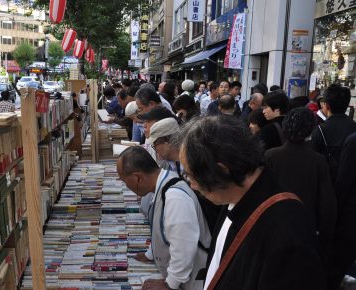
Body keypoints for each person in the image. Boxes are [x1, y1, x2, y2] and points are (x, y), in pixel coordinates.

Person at [178, 116, 325, 290]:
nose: (192, 185)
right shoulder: (233, 197)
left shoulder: (287, 234)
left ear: (221, 170)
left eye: (191, 176)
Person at [118, 146, 211, 290]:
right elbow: (161, 227)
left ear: (138, 177)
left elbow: (184, 248)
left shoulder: (175, 197)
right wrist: (151, 253)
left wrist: (170, 284)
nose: (125, 185)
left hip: (192, 283)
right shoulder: (162, 184)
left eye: (124, 181)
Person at [265, 107, 336, 262]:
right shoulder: (318, 160)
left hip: (273, 223)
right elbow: (327, 202)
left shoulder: (271, 156)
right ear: (311, 130)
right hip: (306, 225)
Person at [310, 84, 356, 183]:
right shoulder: (353, 127)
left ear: (326, 105)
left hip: (326, 183)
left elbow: (312, 163)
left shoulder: (319, 130)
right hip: (350, 185)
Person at [330, 132, 356, 290]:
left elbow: (344, 182)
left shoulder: (353, 141)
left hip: (351, 218)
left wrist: (335, 214)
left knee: (335, 268)